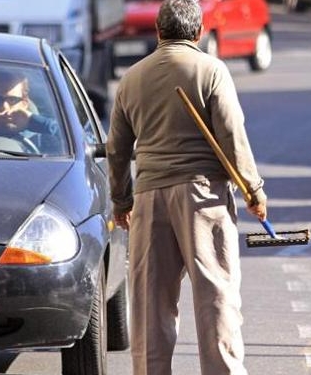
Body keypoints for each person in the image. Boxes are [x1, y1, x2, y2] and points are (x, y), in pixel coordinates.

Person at [106, 0, 268, 374]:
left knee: (150, 302)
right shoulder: (211, 70)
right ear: (198, 33)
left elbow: (117, 148)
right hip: (203, 198)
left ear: (159, 32)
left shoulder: (132, 78)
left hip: (148, 200)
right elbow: (232, 135)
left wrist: (121, 200)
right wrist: (253, 190)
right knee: (216, 297)